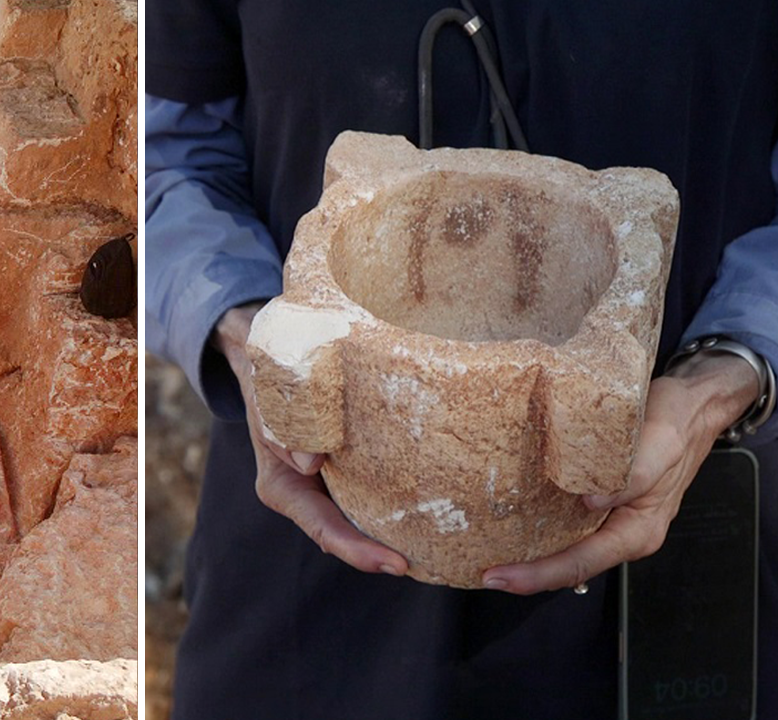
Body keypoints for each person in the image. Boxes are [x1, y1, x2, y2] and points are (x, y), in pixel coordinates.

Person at [145, 2, 778, 718]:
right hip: (312, 527)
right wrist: (246, 330)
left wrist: (726, 374)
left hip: (671, 518)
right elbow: (162, 156)